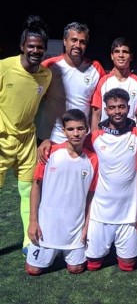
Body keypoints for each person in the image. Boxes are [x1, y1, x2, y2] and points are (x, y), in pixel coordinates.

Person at [0, 15, 52, 255]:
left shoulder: (45, 75)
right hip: (2, 139)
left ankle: (28, 242)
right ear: (22, 46)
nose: (35, 51)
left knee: (27, 189)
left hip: (26, 140)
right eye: (31, 46)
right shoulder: (4, 67)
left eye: (39, 47)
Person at [25, 109, 98, 275]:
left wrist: (87, 227)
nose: (76, 133)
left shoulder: (93, 159)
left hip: (75, 228)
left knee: (76, 269)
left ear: (87, 129)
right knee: (33, 270)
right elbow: (36, 186)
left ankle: (63, 251)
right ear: (63, 131)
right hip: (46, 226)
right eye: (71, 129)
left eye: (80, 128)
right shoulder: (49, 152)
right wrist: (33, 221)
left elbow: (91, 196)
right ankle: (50, 250)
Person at [85, 87, 137, 271]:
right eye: (113, 107)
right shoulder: (95, 137)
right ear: (106, 110)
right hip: (101, 212)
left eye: (121, 107)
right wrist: (47, 143)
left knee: (128, 266)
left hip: (128, 214)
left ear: (128, 108)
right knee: (92, 265)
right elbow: (70, 143)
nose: (117, 111)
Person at [35, 21, 106, 144]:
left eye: (82, 42)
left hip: (82, 138)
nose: (77, 45)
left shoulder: (96, 68)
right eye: (73, 40)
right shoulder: (49, 66)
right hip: (52, 139)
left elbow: (100, 107)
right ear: (64, 41)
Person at [90, 37, 137, 130]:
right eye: (117, 51)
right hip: (106, 138)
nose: (121, 55)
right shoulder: (102, 82)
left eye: (125, 52)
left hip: (130, 138)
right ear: (112, 56)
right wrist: (94, 139)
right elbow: (96, 115)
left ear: (131, 57)